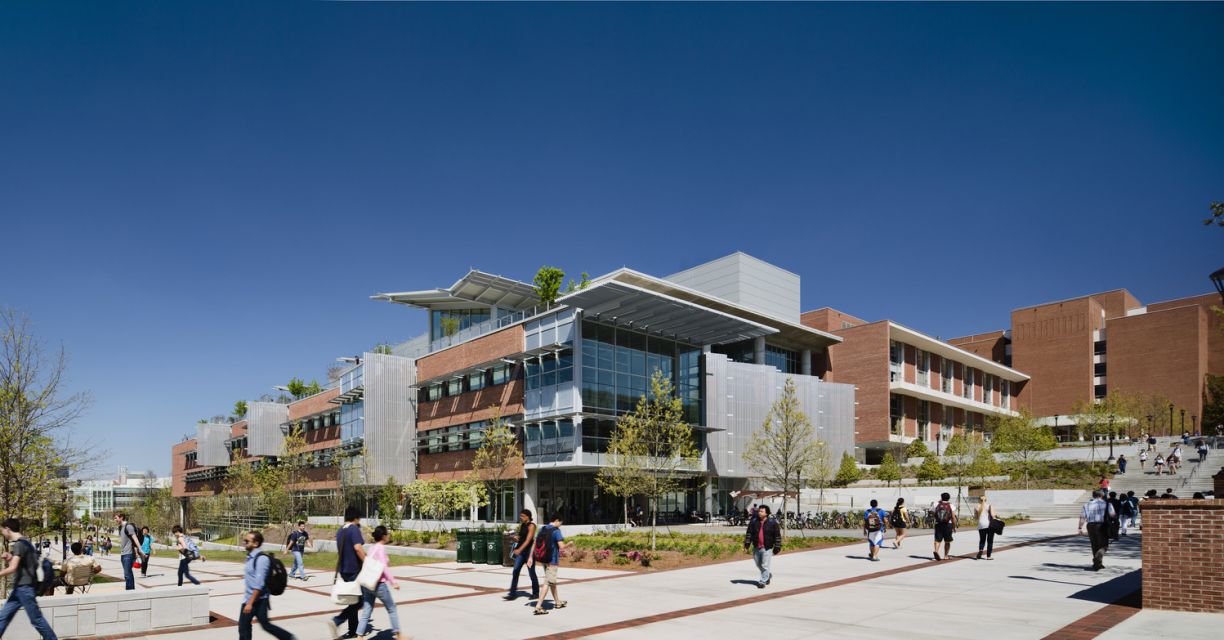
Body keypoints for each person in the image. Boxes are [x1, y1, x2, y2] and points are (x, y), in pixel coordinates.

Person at [0, 518, 59, 639]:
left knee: (36, 620)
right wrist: (10, 557)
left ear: (7, 529)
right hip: (20, 589)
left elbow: (13, 568)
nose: (2, 533)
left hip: (25, 588)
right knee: (3, 618)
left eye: (2, 531)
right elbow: (26, 564)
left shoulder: (19, 544)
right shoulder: (25, 542)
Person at [238, 531, 296, 640]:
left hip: (257, 599)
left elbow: (259, 584)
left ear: (256, 543)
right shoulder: (250, 557)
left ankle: (289, 637)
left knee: (252, 626)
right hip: (251, 598)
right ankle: (289, 637)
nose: (244, 542)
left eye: (247, 541)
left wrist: (249, 603)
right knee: (248, 627)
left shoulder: (261, 559)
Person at [328, 507, 370, 639]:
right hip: (354, 570)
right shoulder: (354, 529)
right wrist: (368, 562)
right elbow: (358, 548)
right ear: (356, 518)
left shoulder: (340, 530)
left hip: (344, 570)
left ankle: (353, 630)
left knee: (352, 599)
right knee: (360, 601)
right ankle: (337, 620)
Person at [356, 526, 402, 640]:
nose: (388, 536)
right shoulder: (381, 548)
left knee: (367, 610)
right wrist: (393, 582)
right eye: (387, 534)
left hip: (367, 584)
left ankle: (359, 636)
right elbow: (384, 567)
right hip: (379, 585)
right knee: (392, 608)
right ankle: (399, 635)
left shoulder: (372, 548)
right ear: (383, 536)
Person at [529, 514, 569, 615]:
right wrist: (570, 544)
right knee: (548, 582)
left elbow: (535, 542)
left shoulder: (542, 529)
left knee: (552, 581)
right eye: (560, 523)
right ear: (556, 520)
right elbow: (562, 547)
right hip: (552, 561)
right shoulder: (556, 531)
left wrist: (530, 556)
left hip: (544, 559)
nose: (560, 525)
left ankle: (557, 602)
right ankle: (538, 606)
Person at [743, 505, 781, 588]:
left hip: (767, 547)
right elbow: (749, 534)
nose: (759, 512)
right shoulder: (754, 522)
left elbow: (777, 536)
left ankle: (763, 581)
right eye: (759, 511)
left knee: (764, 565)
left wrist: (777, 547)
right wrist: (747, 545)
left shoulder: (773, 523)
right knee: (758, 564)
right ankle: (767, 575)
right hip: (756, 546)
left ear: (766, 513)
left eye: (761, 511)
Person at [505, 509, 539, 601]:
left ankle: (536, 593)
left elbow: (528, 540)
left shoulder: (532, 526)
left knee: (532, 573)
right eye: (520, 516)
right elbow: (522, 539)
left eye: (523, 516)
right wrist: (514, 537)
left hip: (528, 553)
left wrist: (519, 549)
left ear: (528, 516)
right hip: (521, 553)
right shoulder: (523, 525)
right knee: (515, 571)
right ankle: (512, 593)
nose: (521, 517)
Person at [1078, 489, 1116, 571]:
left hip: (1090, 525)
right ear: (1102, 495)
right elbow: (1113, 515)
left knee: (1094, 544)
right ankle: (1098, 557)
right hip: (1102, 525)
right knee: (1104, 545)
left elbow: (1083, 517)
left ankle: (1097, 564)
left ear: (1093, 495)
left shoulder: (1087, 504)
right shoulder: (1107, 504)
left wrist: (1080, 527)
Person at [114, 512, 146, 590]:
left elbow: (135, 538)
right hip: (123, 554)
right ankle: (129, 589)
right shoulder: (121, 527)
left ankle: (130, 591)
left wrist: (140, 550)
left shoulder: (128, 527)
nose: (115, 520)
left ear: (121, 517)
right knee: (126, 574)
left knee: (128, 574)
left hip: (128, 554)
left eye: (116, 518)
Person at [932, 492, 957, 561]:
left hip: (938, 524)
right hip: (948, 524)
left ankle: (936, 551)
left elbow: (932, 513)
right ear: (949, 498)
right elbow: (953, 517)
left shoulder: (936, 504)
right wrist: (954, 526)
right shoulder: (951, 505)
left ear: (941, 497)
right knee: (947, 541)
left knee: (937, 539)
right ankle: (946, 556)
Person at [974, 496, 997, 560]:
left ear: (979, 500)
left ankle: (981, 549)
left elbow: (975, 518)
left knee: (982, 540)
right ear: (986, 500)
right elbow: (993, 515)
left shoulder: (976, 507)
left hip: (981, 525)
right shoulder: (989, 506)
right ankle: (988, 556)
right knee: (990, 541)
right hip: (989, 525)